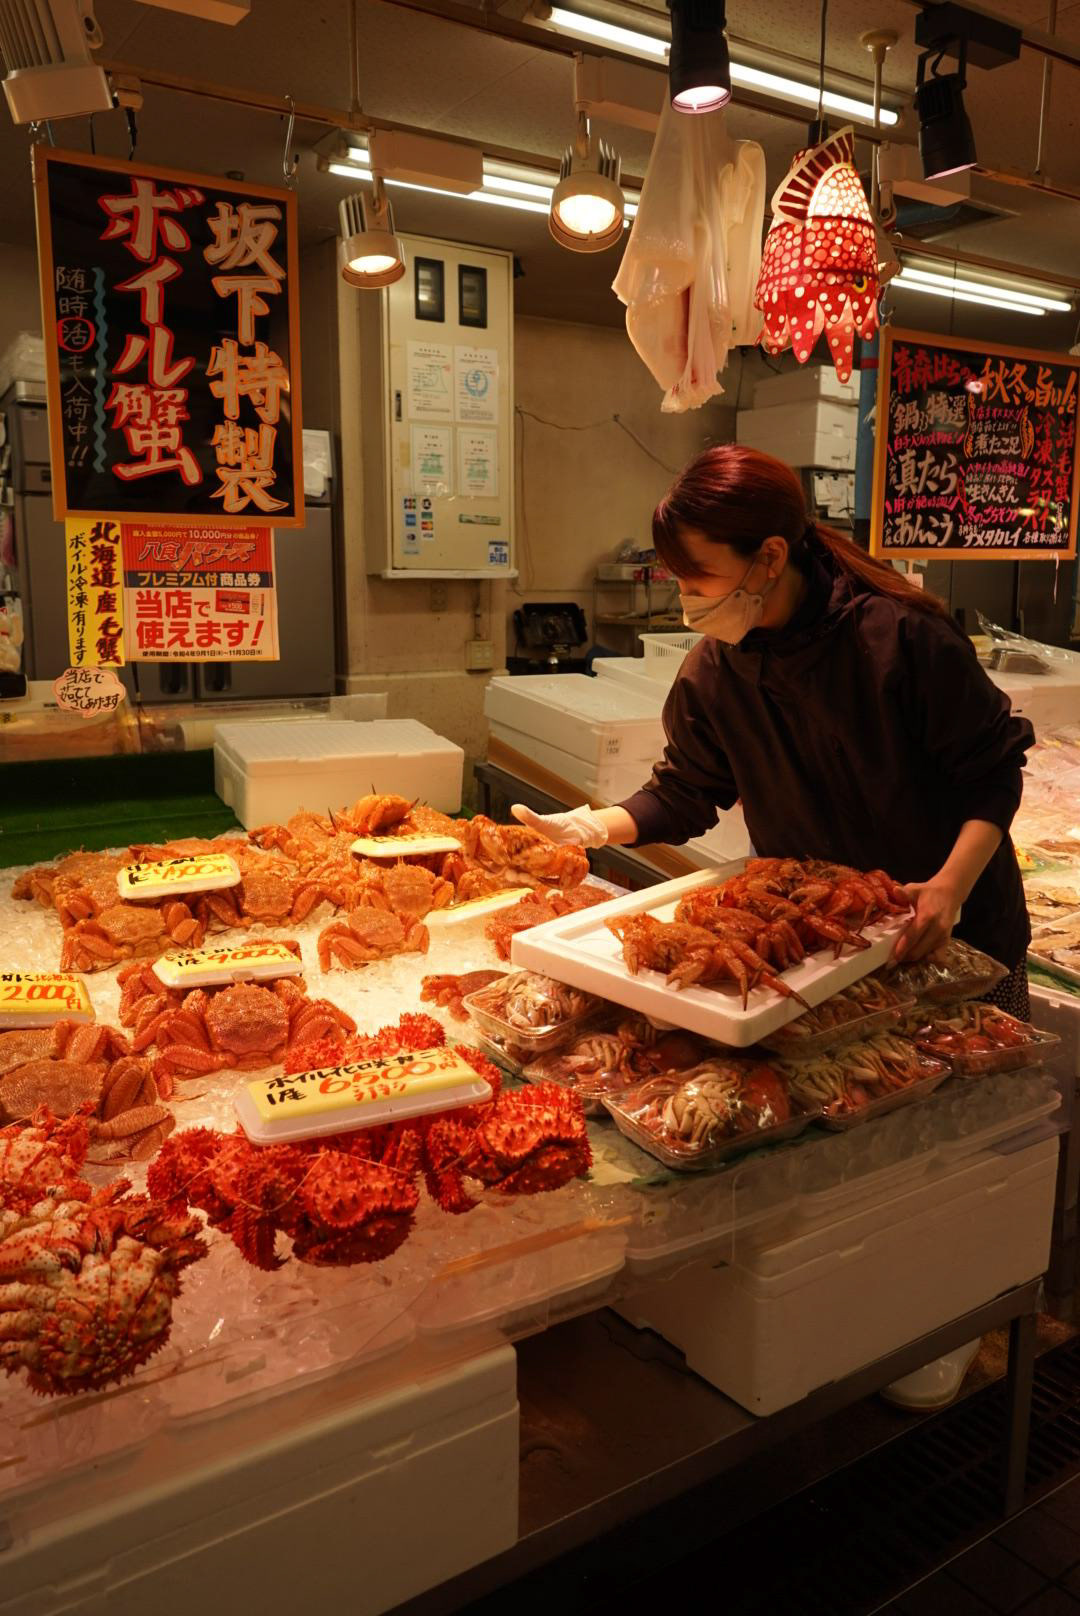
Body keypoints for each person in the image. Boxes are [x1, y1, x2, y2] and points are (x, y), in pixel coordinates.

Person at [513, 444, 1035, 1017]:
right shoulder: (715, 669)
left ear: (770, 556)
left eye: (701, 576)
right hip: (819, 949)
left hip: (956, 931)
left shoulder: (900, 637)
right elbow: (685, 792)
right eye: (680, 580)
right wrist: (587, 828)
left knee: (986, 1097)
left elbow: (993, 771)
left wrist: (950, 886)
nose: (687, 599)